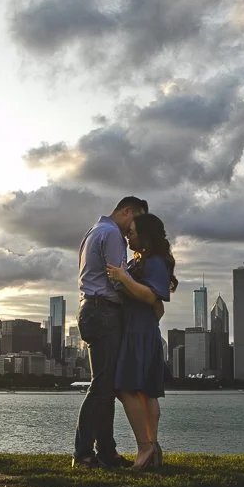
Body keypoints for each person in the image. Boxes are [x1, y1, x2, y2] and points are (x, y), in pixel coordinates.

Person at [72, 196, 149, 468]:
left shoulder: (93, 232)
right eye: (136, 219)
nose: (134, 228)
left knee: (105, 385)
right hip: (104, 311)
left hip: (91, 310)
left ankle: (106, 451)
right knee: (103, 386)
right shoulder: (112, 235)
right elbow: (119, 282)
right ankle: (83, 453)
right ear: (127, 211)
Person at [106, 212, 176, 470]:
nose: (128, 235)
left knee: (125, 388)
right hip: (140, 330)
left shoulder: (155, 262)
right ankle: (152, 448)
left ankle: (145, 448)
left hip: (140, 333)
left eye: (132, 232)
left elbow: (151, 297)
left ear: (146, 235)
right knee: (146, 392)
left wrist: (123, 279)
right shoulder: (143, 260)